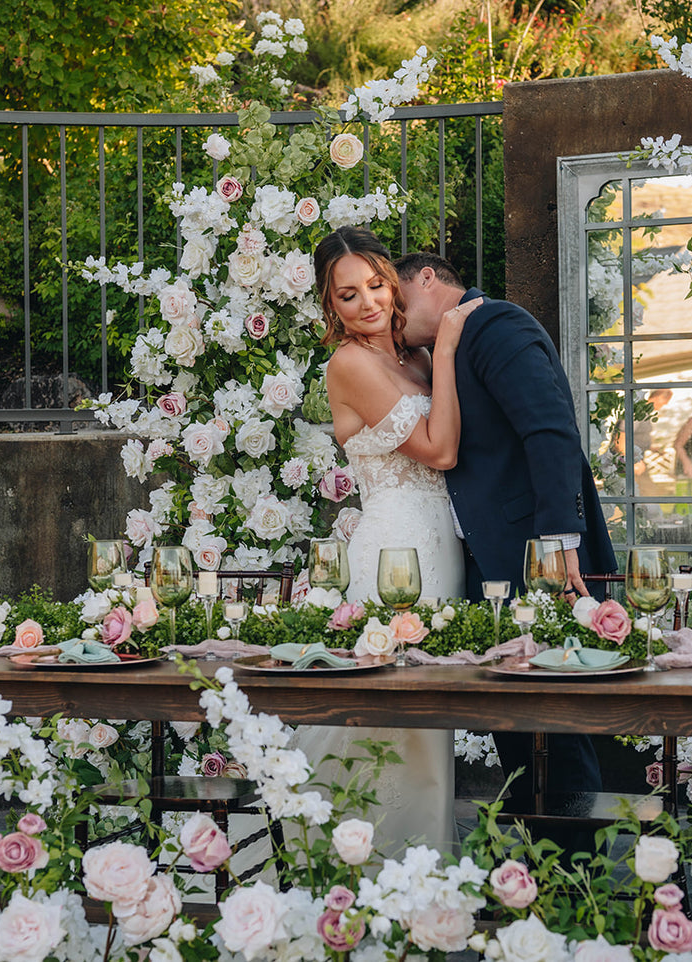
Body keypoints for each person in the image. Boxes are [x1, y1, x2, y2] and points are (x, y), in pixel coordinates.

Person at [394, 250, 618, 835]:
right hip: (490, 569)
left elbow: (550, 428)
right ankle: (543, 877)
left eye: (397, 300)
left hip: (540, 563)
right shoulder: (438, 353)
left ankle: (578, 880)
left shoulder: (496, 324)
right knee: (518, 735)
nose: (392, 316)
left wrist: (558, 539)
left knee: (557, 733)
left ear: (426, 278)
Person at [295, 227, 480, 856]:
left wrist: (439, 356)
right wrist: (450, 350)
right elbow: (440, 448)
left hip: (442, 545)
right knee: (385, 707)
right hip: (394, 550)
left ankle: (424, 867)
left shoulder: (411, 358)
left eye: (377, 284)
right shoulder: (350, 364)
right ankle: (359, 863)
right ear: (331, 306)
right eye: (348, 295)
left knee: (431, 713)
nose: (369, 302)